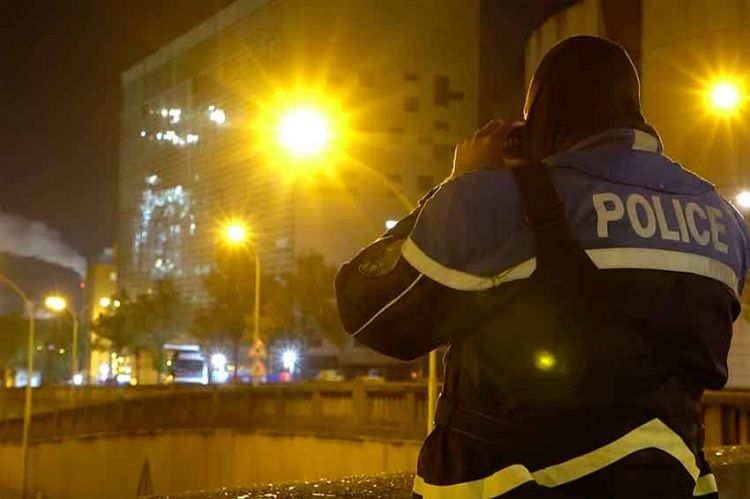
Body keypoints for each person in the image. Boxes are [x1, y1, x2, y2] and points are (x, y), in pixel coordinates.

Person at [335, 36, 750, 498]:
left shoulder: (501, 201)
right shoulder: (723, 219)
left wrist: (461, 184)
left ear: (542, 116)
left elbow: (369, 309)